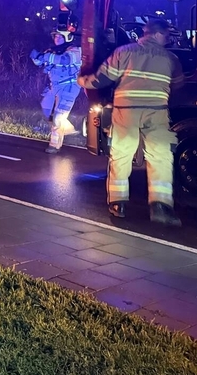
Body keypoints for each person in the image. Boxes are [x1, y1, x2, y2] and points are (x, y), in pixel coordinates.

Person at [78, 18, 184, 226]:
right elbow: (179, 85)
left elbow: (102, 79)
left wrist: (82, 80)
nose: (168, 40)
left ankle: (118, 204)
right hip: (157, 113)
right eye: (166, 35)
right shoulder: (171, 59)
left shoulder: (124, 52)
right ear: (155, 34)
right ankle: (161, 207)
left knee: (121, 155)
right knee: (161, 157)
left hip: (126, 112)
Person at [31, 29, 82, 154]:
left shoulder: (75, 50)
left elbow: (64, 60)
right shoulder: (51, 51)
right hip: (53, 87)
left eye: (60, 36)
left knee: (58, 117)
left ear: (68, 37)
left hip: (69, 88)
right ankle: (68, 128)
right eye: (55, 36)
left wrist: (44, 56)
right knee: (45, 107)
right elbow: (39, 62)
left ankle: (54, 146)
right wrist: (35, 56)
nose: (57, 38)